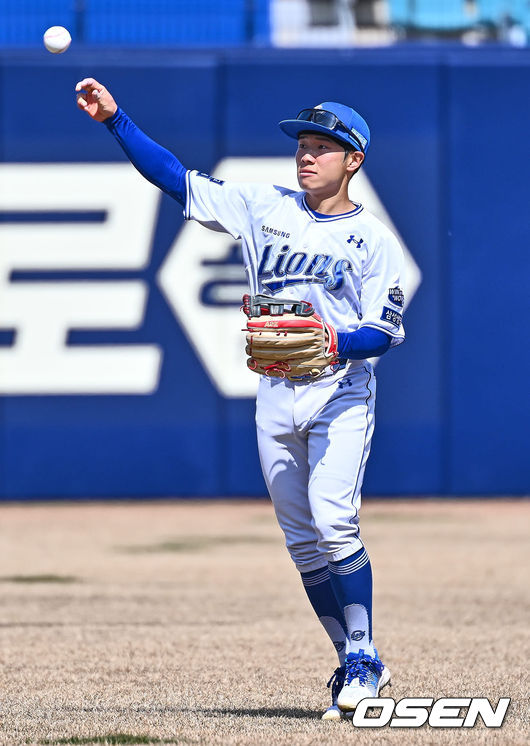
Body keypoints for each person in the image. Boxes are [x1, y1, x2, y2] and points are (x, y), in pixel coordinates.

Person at [76, 78, 405, 720]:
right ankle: (350, 660)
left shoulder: (375, 241)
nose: (307, 155)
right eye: (303, 144)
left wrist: (333, 336)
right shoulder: (263, 206)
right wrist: (117, 121)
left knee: (334, 522)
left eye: (323, 146)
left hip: (339, 395)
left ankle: (364, 656)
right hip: (275, 392)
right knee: (302, 543)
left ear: (354, 160)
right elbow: (176, 180)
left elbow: (384, 334)